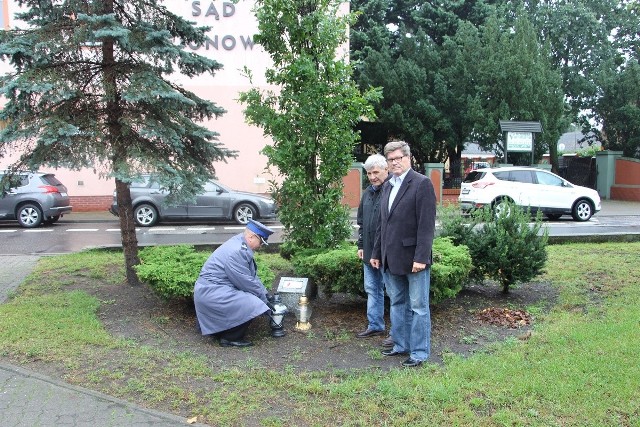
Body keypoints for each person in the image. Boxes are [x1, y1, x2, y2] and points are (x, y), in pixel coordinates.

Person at [370, 141, 437, 368]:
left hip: (414, 259)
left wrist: (421, 257)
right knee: (397, 303)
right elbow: (383, 224)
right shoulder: (388, 185)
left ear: (408, 158)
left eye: (399, 158)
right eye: (391, 159)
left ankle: (419, 352)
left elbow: (426, 226)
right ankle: (400, 345)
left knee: (418, 307)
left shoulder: (421, 184)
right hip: (391, 258)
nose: (395, 162)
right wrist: (377, 252)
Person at [194, 219, 275, 348]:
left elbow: (251, 277)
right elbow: (246, 282)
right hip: (211, 293)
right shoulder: (237, 252)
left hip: (213, 291)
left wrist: (265, 293)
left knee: (251, 299)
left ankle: (221, 331)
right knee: (252, 303)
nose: (262, 246)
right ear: (251, 237)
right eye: (261, 242)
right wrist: (264, 301)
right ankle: (230, 338)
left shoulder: (240, 244)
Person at [356, 154, 392, 347]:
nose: (372, 177)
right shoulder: (367, 193)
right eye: (369, 173)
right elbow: (361, 222)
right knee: (372, 289)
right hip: (369, 252)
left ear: (386, 170)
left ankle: (397, 331)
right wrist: (361, 246)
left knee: (394, 293)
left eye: (376, 172)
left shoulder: (392, 191)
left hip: (387, 254)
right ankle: (375, 324)